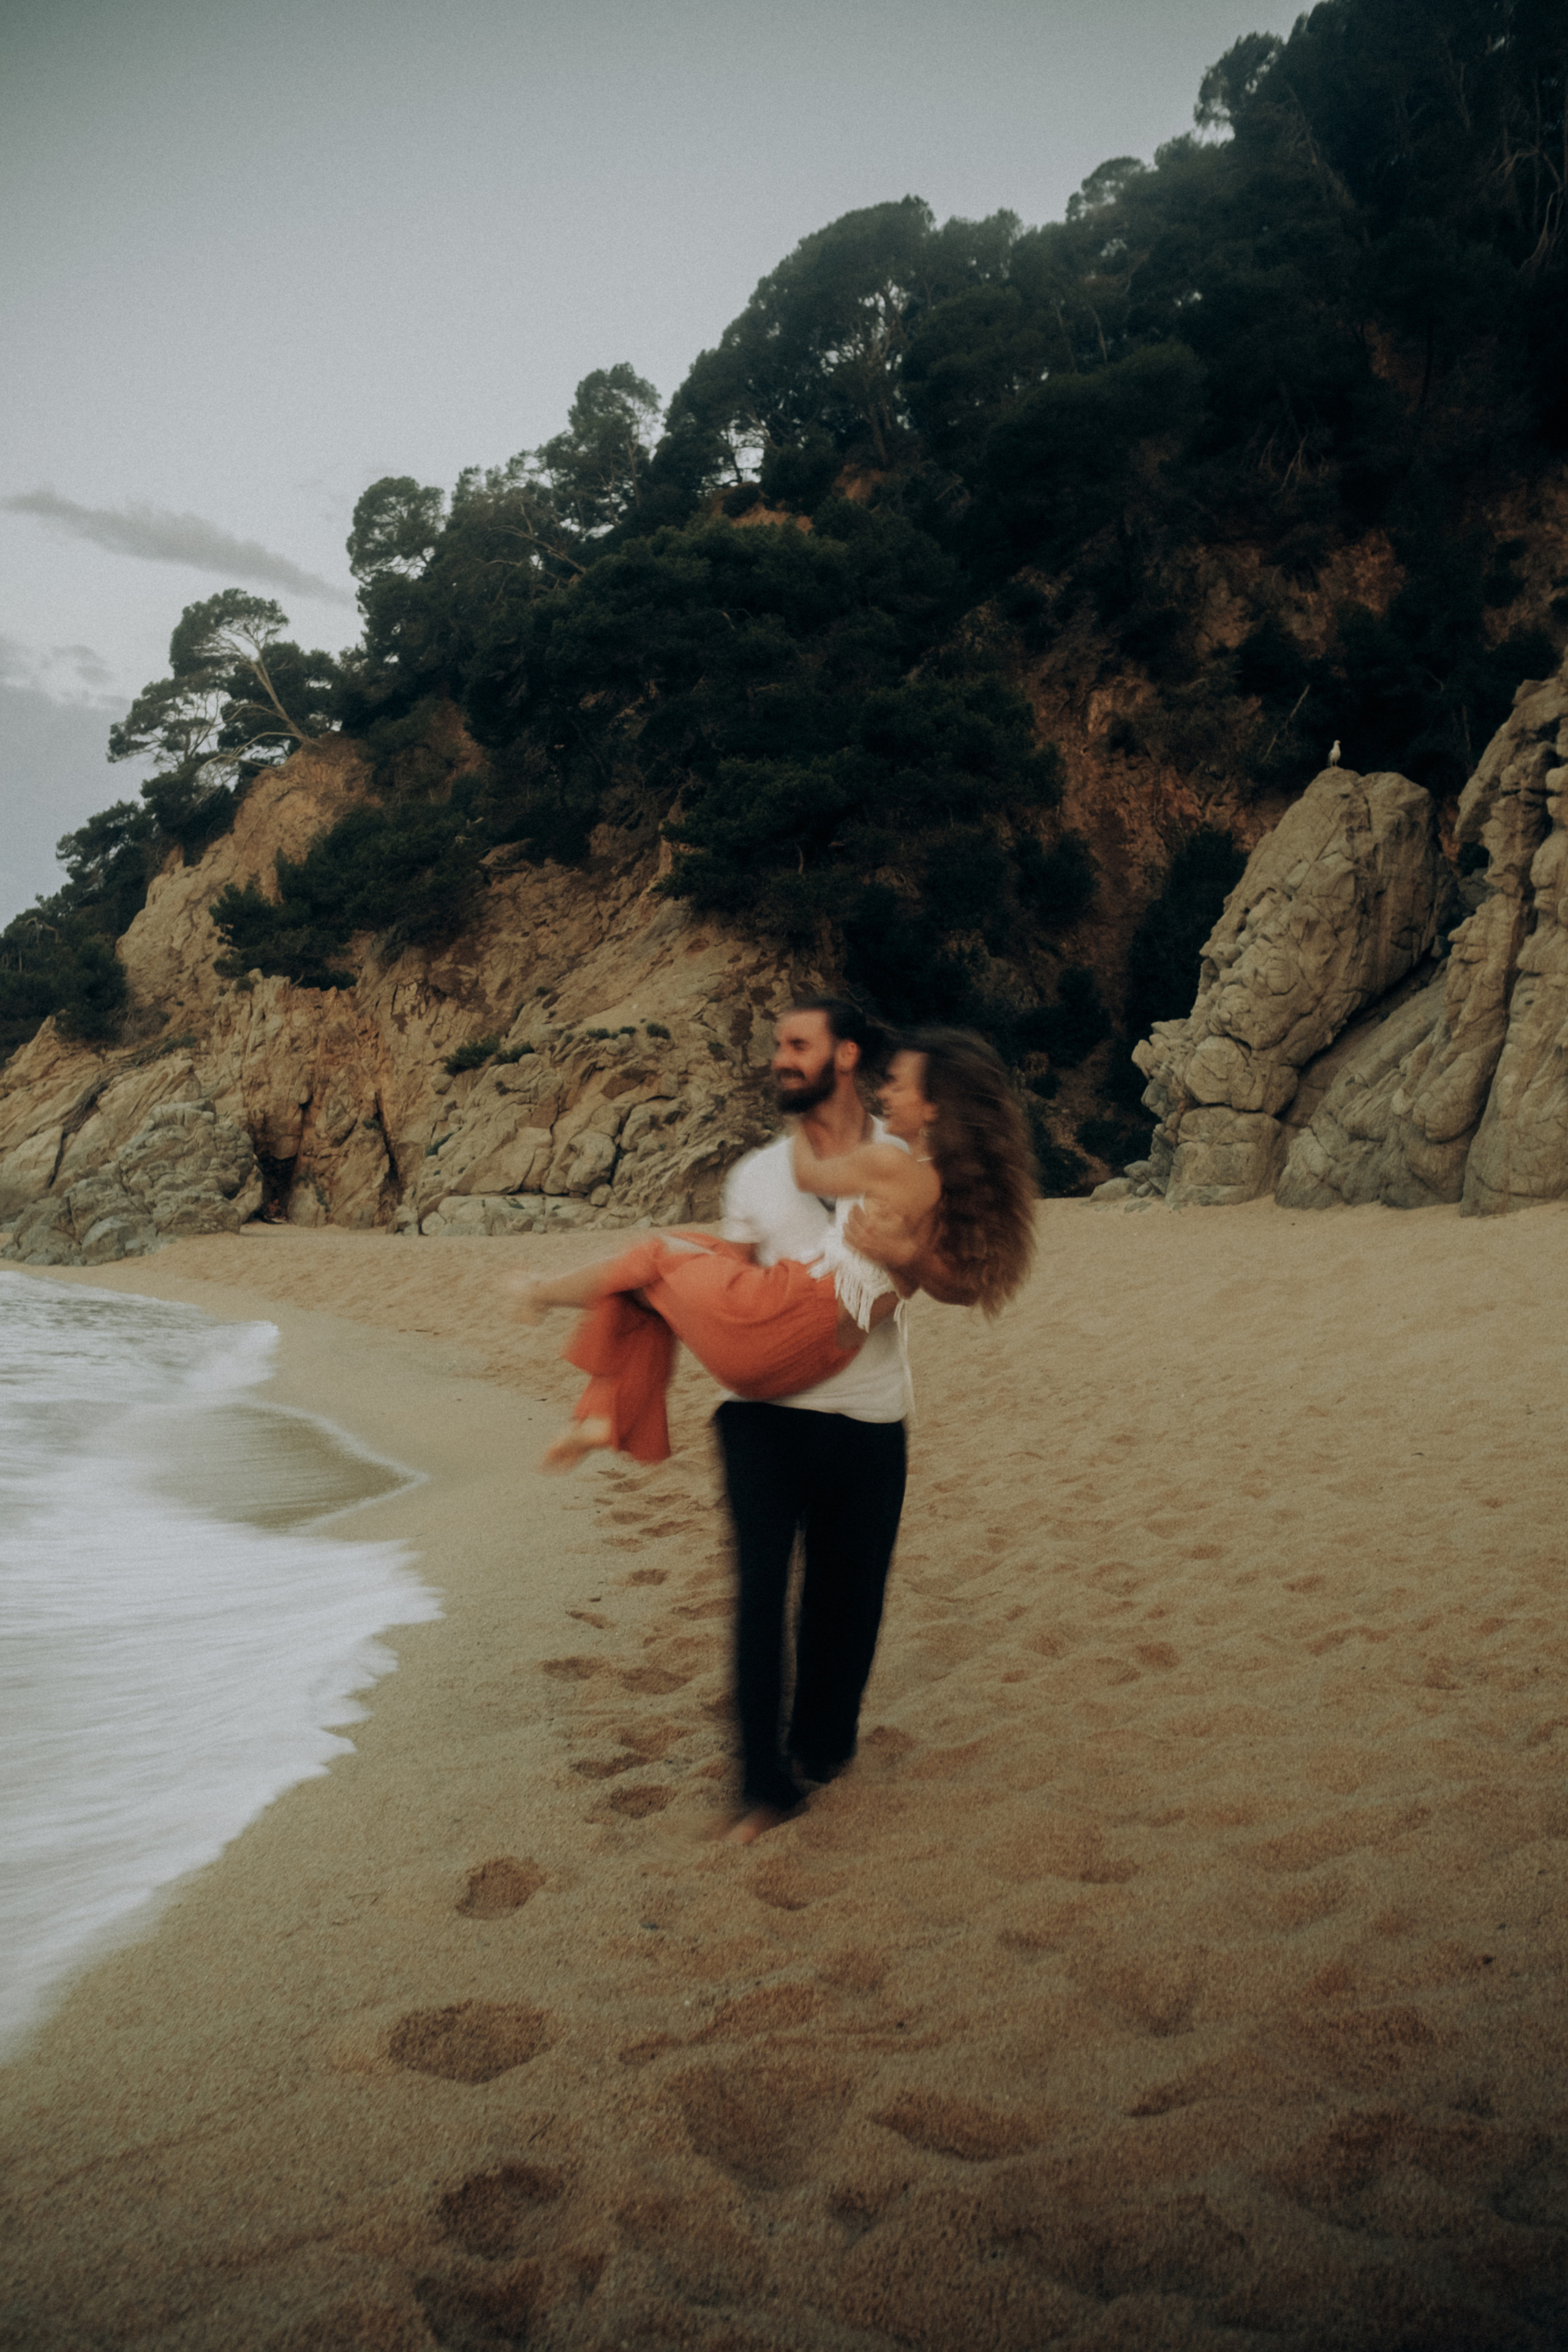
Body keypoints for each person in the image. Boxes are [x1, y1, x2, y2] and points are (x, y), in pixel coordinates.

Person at [515, 1001, 1036, 1841]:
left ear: (846, 1057)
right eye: (777, 1049)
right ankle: (763, 1783)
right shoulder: (764, 1173)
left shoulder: (894, 1160)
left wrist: (901, 1252)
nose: (780, 1061)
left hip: (861, 1408)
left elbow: (954, 1279)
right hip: (765, 1403)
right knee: (760, 1598)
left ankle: (820, 1751)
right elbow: (736, 1267)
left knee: (847, 1602)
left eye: (797, 1047)